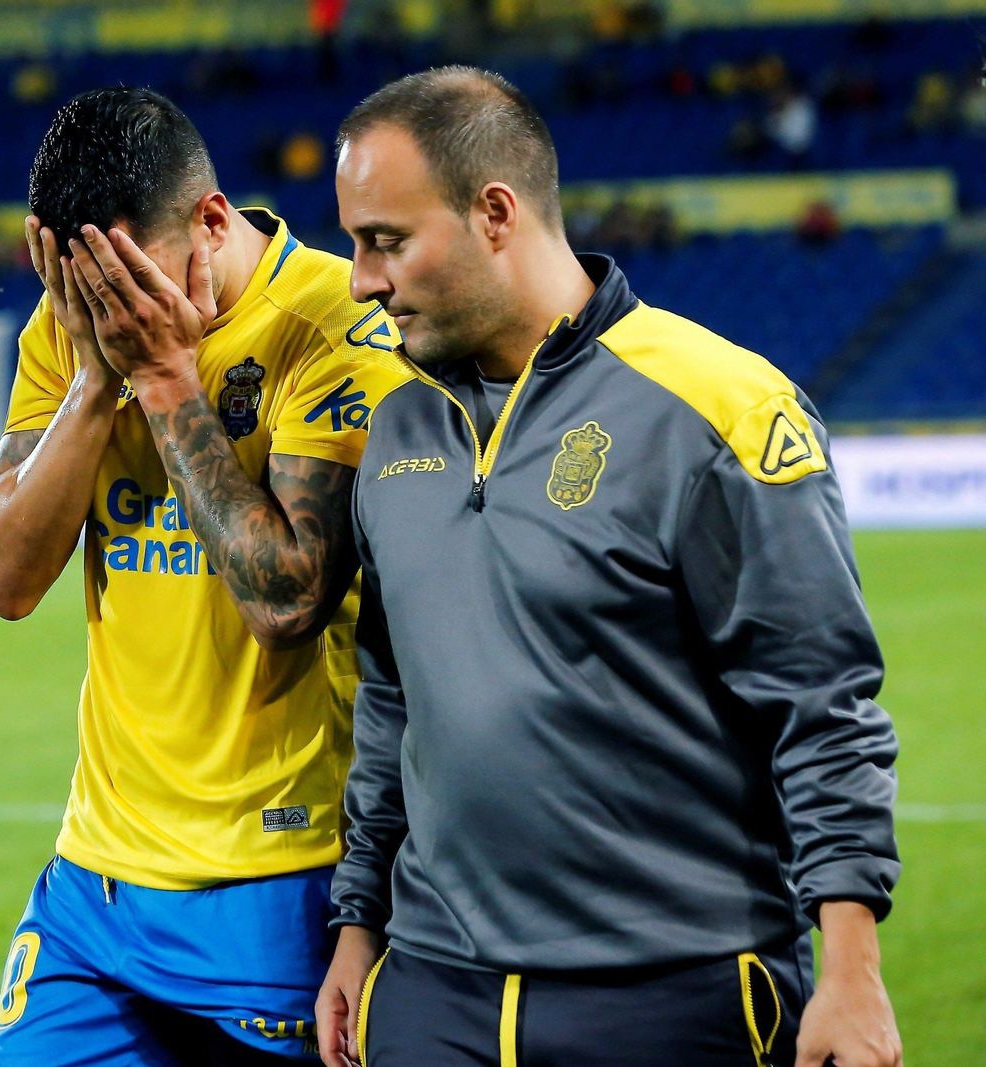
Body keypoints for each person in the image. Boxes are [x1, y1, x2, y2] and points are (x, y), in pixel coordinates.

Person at [316, 67, 903, 1067]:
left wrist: (850, 967)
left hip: (673, 992)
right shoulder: (395, 427)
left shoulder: (719, 408)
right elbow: (390, 697)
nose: (363, 280)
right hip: (430, 991)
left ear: (493, 212)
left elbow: (820, 700)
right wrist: (359, 921)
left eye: (386, 241)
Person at [0, 86, 409, 1065]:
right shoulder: (70, 325)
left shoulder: (336, 327)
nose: (106, 312)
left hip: (280, 880)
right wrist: (93, 376)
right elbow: (3, 577)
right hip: (97, 877)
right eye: (80, 287)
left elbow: (287, 598)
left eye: (125, 281)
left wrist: (165, 379)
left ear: (212, 221)